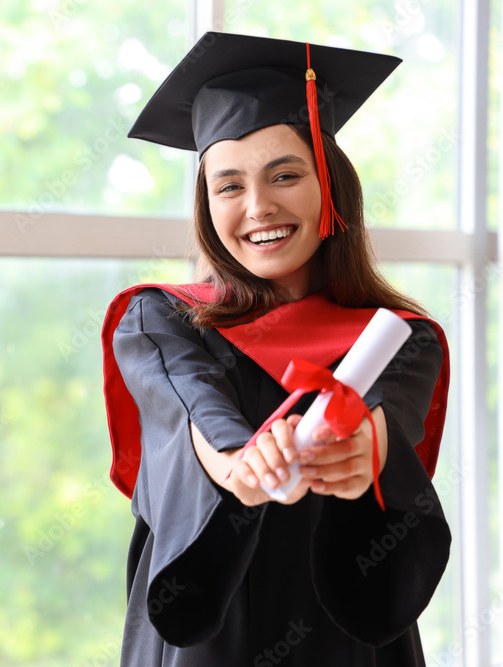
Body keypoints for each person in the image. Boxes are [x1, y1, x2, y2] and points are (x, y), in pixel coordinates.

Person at [101, 32, 451, 665]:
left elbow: (386, 414)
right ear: (208, 205)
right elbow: (190, 406)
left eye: (285, 174)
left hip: (342, 635)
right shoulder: (160, 318)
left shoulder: (399, 336)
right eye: (228, 185)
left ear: (331, 189)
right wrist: (240, 462)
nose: (258, 206)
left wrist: (363, 448)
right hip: (213, 638)